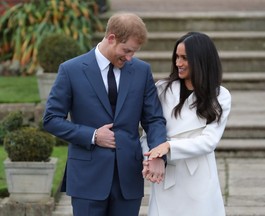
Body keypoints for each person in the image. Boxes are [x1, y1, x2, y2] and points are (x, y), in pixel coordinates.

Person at [43, 13, 167, 216]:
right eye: (126, 50)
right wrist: (92, 136)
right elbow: (51, 120)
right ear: (111, 38)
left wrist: (157, 154)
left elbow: (154, 119)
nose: (129, 58)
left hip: (128, 177)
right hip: (87, 178)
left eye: (133, 53)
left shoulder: (142, 71)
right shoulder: (70, 70)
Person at [141, 32, 231, 216]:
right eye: (176, 57)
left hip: (198, 177)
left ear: (201, 61)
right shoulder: (162, 89)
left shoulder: (220, 95)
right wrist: (151, 159)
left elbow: (209, 141)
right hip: (165, 174)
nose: (178, 63)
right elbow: (148, 132)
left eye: (184, 58)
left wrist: (168, 147)